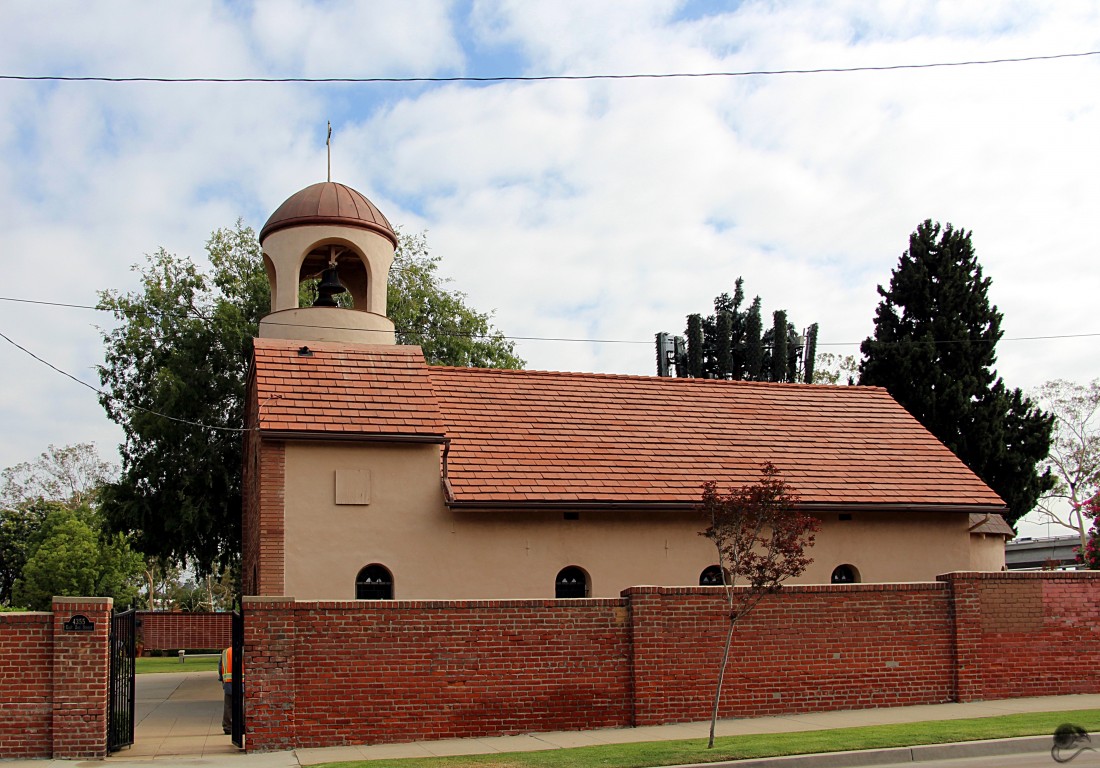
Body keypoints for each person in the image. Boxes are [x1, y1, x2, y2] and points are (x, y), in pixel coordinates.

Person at [218, 646, 234, 735]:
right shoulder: (245, 650)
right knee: (242, 704)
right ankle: (242, 725)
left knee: (228, 705)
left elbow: (221, 667)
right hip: (243, 681)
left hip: (228, 682)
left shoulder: (226, 652)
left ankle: (227, 727)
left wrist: (221, 679)